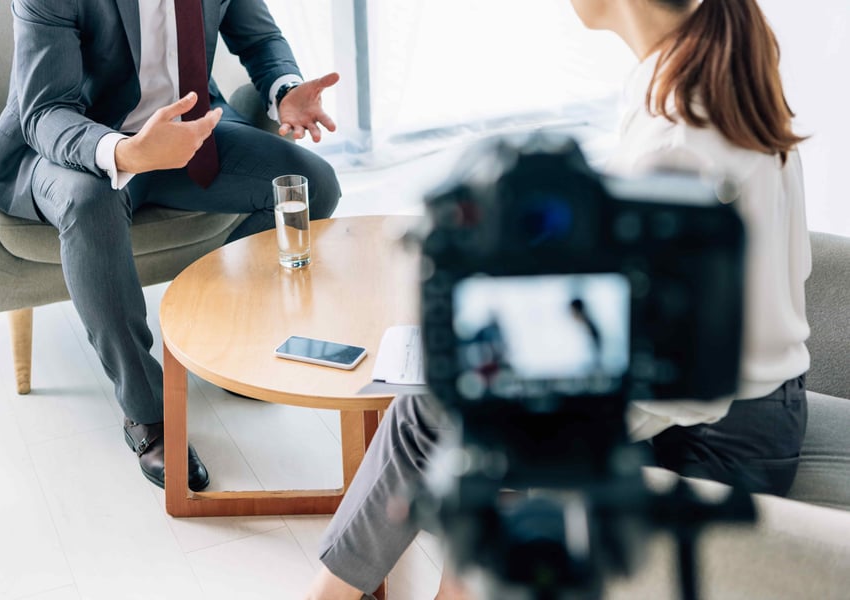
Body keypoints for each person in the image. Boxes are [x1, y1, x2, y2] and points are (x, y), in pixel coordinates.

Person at [305, 0, 810, 598]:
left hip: (716, 436)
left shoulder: (679, 136)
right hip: (752, 408)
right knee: (463, 401)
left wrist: (522, 400)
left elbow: (682, 388)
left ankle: (335, 593)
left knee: (437, 412)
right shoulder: (703, 76)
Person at [0, 0, 342, 491]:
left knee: (311, 184)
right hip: (79, 146)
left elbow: (259, 39)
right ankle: (146, 414)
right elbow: (46, 112)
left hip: (187, 139)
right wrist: (124, 152)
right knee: (91, 203)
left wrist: (284, 90)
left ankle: (215, 336)